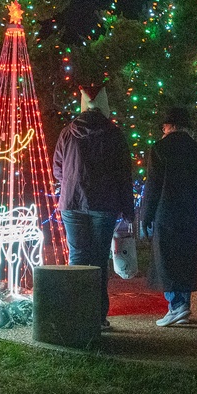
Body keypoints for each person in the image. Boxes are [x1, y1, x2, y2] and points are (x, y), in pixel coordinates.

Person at [53, 84, 135, 331]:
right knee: (99, 259)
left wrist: (71, 182)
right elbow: (123, 174)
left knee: (77, 257)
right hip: (104, 203)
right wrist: (128, 209)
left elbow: (58, 169)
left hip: (72, 202)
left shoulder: (67, 132)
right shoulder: (114, 134)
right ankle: (98, 316)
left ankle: (76, 314)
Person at [140, 107, 197, 327]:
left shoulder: (159, 149)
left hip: (166, 212)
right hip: (191, 213)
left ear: (168, 126)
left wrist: (146, 216)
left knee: (167, 258)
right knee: (186, 257)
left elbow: (153, 186)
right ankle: (182, 305)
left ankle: (176, 306)